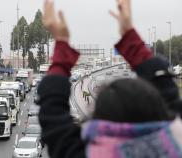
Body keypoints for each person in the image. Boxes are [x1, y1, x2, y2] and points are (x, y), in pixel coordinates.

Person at [37, 0, 182, 158]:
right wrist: (130, 37)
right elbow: (168, 90)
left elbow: (52, 111)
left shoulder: (84, 153)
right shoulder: (176, 141)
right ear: (159, 110)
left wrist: (62, 44)